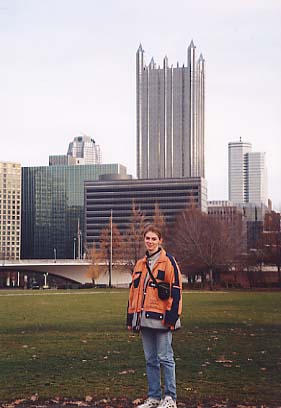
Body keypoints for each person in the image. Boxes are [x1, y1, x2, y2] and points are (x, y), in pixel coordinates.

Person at [127, 225, 182, 408]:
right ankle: (154, 397)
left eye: (153, 239)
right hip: (144, 319)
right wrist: (131, 318)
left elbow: (176, 291)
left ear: (160, 241)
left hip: (162, 319)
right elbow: (133, 292)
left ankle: (170, 398)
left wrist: (172, 318)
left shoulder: (168, 262)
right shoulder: (140, 264)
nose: (150, 242)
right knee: (150, 360)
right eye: (147, 238)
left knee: (165, 358)